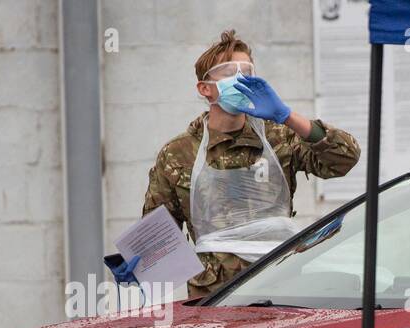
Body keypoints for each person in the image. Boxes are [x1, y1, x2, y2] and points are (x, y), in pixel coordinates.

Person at [115, 29, 361, 299]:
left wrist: (287, 116)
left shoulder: (280, 136)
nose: (242, 78)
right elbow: (160, 232)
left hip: (280, 285)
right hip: (215, 296)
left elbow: (345, 159)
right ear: (205, 89)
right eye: (231, 72)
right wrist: (142, 263)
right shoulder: (179, 153)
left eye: (247, 71)